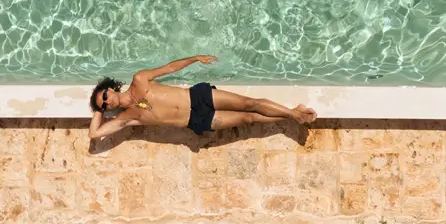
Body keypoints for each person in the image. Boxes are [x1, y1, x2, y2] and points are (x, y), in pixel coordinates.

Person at [88, 54, 318, 142]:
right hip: (197, 121)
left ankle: (293, 114)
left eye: (105, 96)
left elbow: (169, 67)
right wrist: (97, 110)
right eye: (104, 105)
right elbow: (94, 134)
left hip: (199, 98)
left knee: (251, 103)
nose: (108, 101)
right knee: (249, 118)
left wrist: (195, 58)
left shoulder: (140, 80)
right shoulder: (128, 117)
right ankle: (293, 116)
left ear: (112, 88)